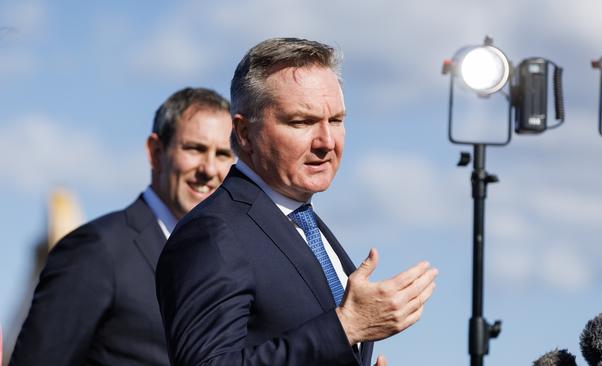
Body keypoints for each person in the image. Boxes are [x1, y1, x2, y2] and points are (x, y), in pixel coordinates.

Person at [156, 38, 438, 366]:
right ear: (244, 133)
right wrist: (346, 326)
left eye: (335, 120)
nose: (326, 142)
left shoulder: (305, 224)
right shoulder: (213, 232)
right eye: (301, 122)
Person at [10, 87, 235, 366]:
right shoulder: (96, 250)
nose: (209, 169)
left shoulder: (230, 258)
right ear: (155, 152)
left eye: (224, 154)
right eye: (195, 149)